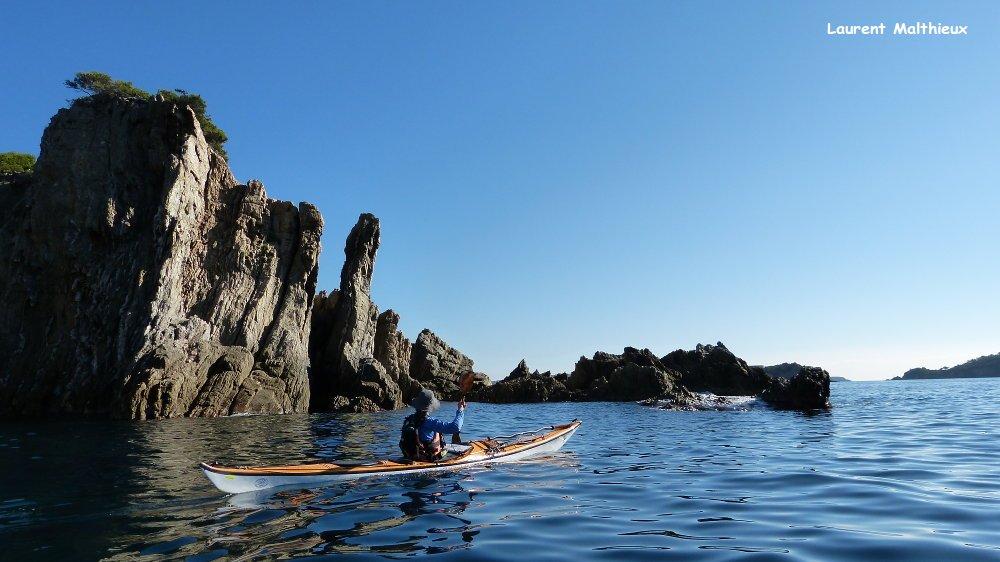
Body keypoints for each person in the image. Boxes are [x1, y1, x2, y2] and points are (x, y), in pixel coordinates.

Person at [399, 388, 465, 462]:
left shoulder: (410, 419)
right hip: (428, 458)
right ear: (430, 405)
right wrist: (460, 410)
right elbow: (455, 427)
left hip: (411, 456)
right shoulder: (430, 422)